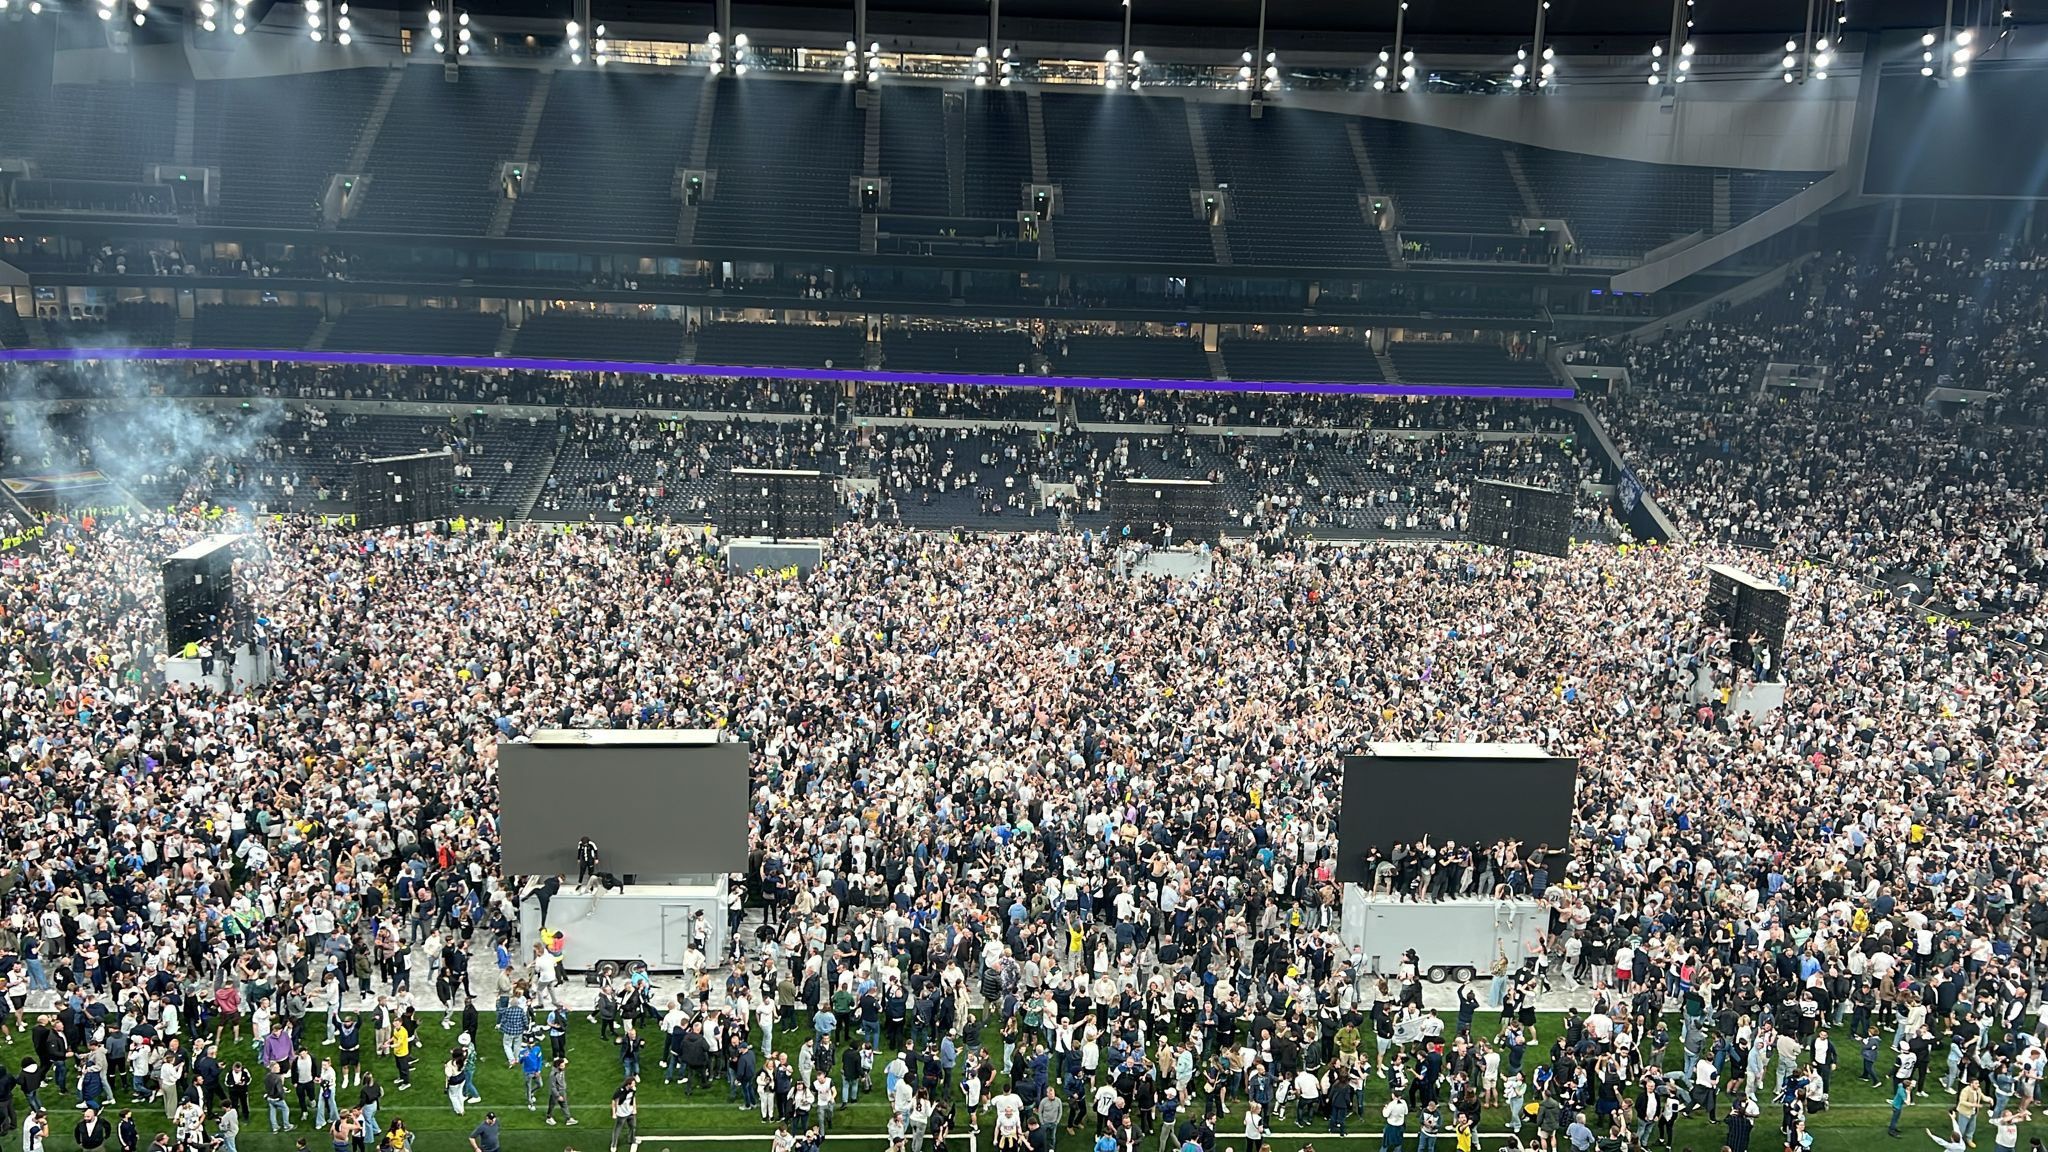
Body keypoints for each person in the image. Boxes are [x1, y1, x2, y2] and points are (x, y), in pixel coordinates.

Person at [609, 1077, 638, 1152]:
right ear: (628, 1084)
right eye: (633, 1083)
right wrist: (614, 1113)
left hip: (630, 1112)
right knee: (617, 1129)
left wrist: (634, 1109)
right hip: (621, 1113)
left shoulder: (633, 1089)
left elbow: (633, 1098)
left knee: (633, 1127)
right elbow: (613, 1100)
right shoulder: (620, 1091)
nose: (634, 1085)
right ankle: (613, 1145)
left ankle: (631, 1139)